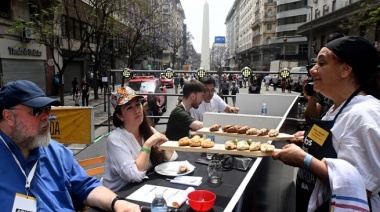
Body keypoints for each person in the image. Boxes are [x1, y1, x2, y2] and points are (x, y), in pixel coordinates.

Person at [272, 36, 380, 211]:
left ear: (345, 69)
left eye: (322, 64)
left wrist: (304, 159)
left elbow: (363, 186)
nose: (313, 70)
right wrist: (308, 140)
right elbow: (333, 142)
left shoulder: (366, 115)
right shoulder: (337, 107)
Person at [0, 80, 140, 212]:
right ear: (9, 117)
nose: (46, 116)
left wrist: (117, 202)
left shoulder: (56, 152)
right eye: (36, 111)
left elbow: (86, 186)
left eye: (47, 109)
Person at [103, 86, 177, 191]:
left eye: (138, 104)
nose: (137, 110)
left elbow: (172, 156)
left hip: (144, 189)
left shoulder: (148, 129)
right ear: (120, 116)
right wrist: (147, 145)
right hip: (120, 195)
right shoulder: (115, 139)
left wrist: (164, 147)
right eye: (129, 108)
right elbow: (135, 176)